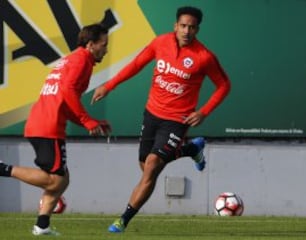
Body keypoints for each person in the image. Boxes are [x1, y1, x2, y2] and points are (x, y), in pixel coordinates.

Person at [91, 6, 231, 233]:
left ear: (197, 30)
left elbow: (224, 85)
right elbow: (136, 65)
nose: (187, 30)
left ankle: (123, 220)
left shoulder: (204, 57)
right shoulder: (160, 43)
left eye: (192, 27)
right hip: (152, 113)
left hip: (178, 120)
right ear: (175, 26)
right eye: (183, 25)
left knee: (153, 166)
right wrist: (108, 86)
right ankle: (190, 150)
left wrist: (203, 112)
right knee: (144, 165)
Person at [0, 23, 111, 235]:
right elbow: (68, 91)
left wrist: (90, 121)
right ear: (90, 44)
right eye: (103, 45)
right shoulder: (81, 60)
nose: (105, 49)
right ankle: (4, 169)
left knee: (62, 179)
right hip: (47, 125)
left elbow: (66, 101)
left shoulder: (72, 59)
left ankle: (42, 225)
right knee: (55, 180)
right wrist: (87, 121)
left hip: (43, 123)